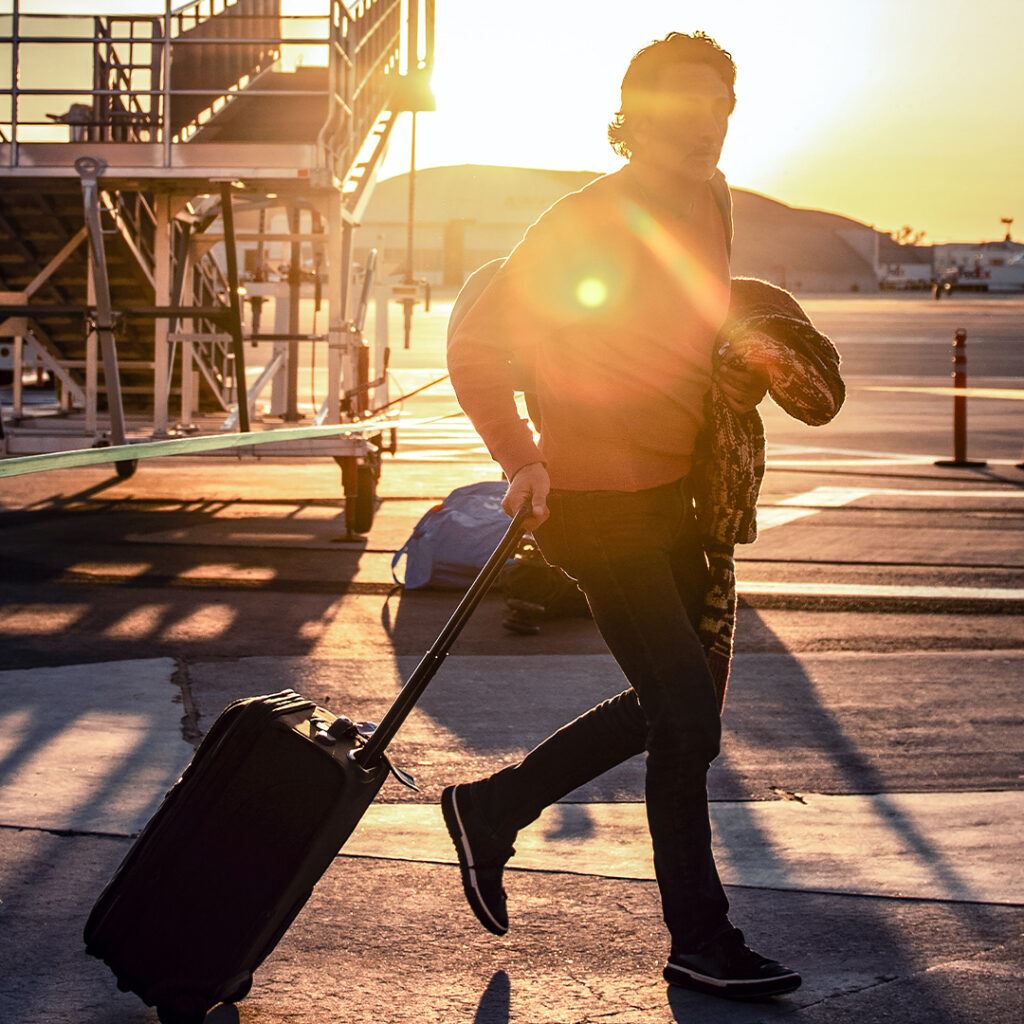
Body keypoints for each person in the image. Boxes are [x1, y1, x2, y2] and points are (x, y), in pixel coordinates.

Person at [444, 30, 843, 999]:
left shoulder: (706, 200)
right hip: (594, 504)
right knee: (683, 717)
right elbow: (476, 343)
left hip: (679, 503)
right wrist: (521, 457)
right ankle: (698, 936)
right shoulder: (584, 220)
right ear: (635, 114)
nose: (705, 122)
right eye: (682, 105)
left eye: (720, 104)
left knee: (681, 709)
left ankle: (492, 806)